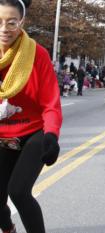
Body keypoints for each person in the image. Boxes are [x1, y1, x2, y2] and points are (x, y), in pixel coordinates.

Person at [0, 1, 63, 233]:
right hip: (1, 135)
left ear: (22, 23)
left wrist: (51, 135)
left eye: (11, 22)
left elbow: (51, 103)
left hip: (33, 132)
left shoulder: (37, 54)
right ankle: (7, 229)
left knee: (18, 191)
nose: (4, 28)